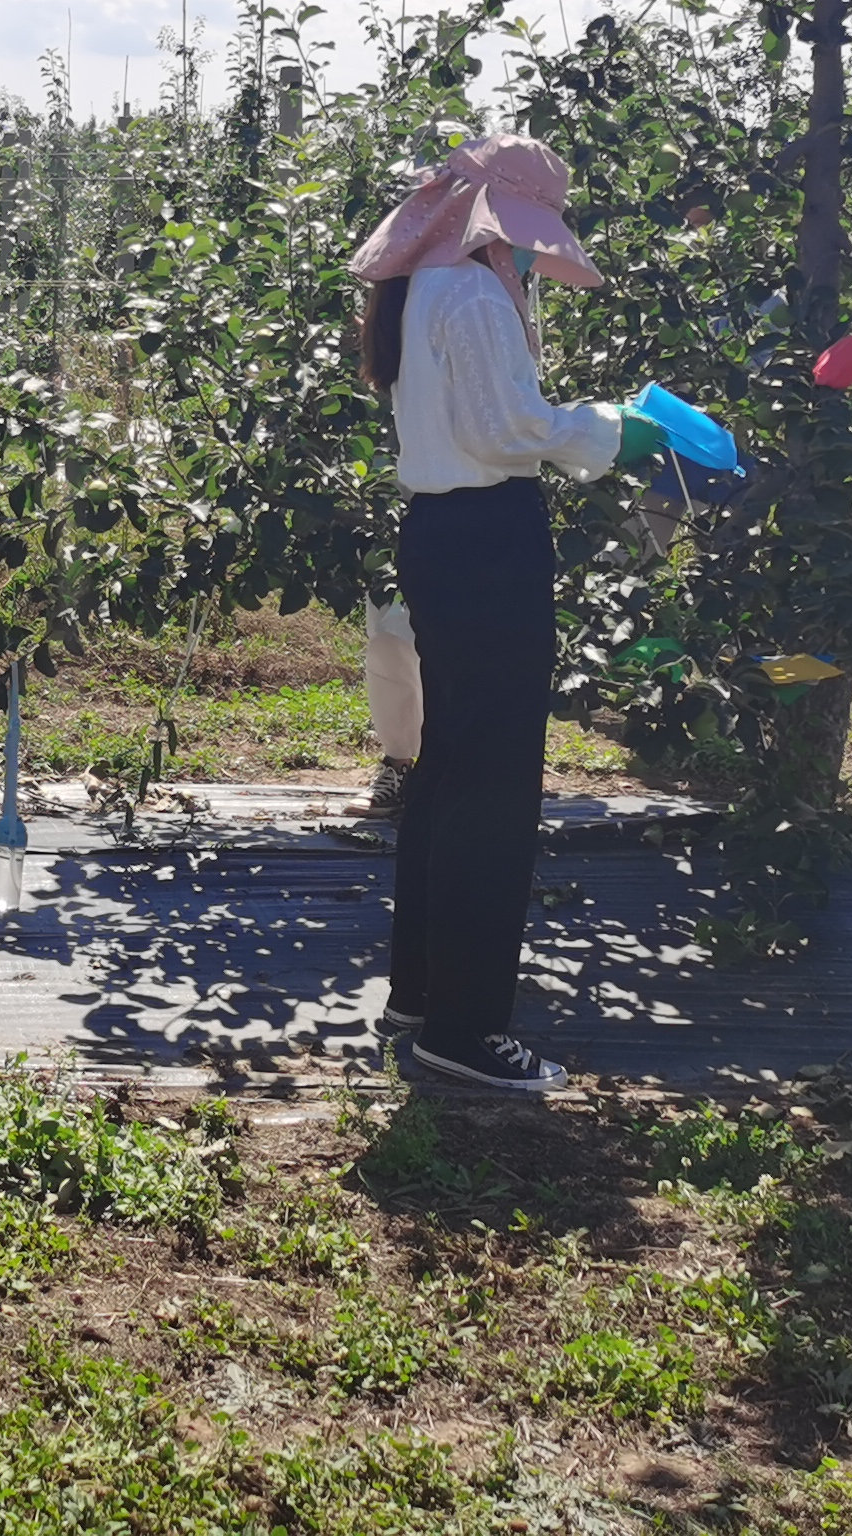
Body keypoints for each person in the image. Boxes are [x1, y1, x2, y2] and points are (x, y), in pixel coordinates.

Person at [348, 135, 664, 1097]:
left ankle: (421, 994)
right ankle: (466, 1028)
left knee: (447, 772)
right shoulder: (475, 295)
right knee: (493, 790)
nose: (534, 259)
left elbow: (485, 419)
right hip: (488, 543)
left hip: (443, 539)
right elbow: (507, 431)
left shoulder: (426, 288)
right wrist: (614, 430)